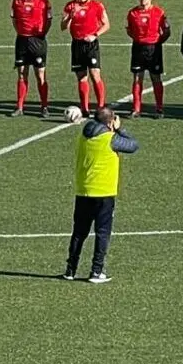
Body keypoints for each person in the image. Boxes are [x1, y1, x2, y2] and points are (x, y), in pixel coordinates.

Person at [64, 105, 138, 284]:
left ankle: (70, 270)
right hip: (104, 192)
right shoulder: (110, 139)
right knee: (102, 233)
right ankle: (96, 271)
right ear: (110, 122)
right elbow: (133, 145)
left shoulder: (83, 136)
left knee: (79, 232)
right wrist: (119, 129)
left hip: (83, 190)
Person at [61, 0, 111, 116]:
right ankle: (84, 109)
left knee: (95, 74)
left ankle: (101, 107)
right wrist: (69, 17)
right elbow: (62, 27)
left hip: (91, 45)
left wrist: (95, 35)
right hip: (77, 45)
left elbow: (106, 24)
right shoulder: (70, 6)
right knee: (82, 77)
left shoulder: (96, 5)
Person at [10, 0, 53, 118]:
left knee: (40, 74)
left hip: (38, 41)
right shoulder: (17, 1)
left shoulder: (43, 0)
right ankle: (20, 107)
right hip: (22, 41)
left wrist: (42, 34)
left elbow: (49, 20)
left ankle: (44, 107)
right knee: (22, 74)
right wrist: (21, 33)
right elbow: (14, 20)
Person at [125, 0, 170, 118]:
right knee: (137, 77)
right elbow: (129, 30)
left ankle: (159, 108)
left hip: (154, 49)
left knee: (155, 77)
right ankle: (136, 109)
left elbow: (166, 31)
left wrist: (157, 42)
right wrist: (138, 39)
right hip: (138, 48)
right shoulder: (132, 13)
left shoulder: (159, 12)